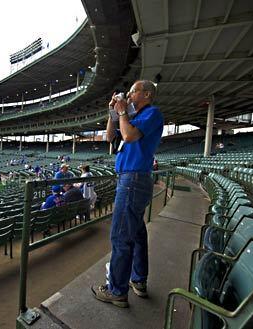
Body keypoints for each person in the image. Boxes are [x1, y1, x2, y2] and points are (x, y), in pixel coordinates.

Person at [92, 80, 163, 307]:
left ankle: (117, 291)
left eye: (133, 92)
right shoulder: (132, 118)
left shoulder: (152, 113)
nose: (130, 95)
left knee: (121, 236)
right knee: (137, 233)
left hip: (133, 180)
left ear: (147, 94)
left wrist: (123, 111)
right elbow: (110, 136)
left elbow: (129, 136)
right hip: (131, 179)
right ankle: (138, 280)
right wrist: (113, 112)